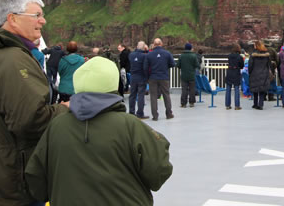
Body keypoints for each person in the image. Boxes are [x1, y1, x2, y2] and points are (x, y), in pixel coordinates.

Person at [0, 0, 69, 206]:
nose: (43, 20)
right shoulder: (12, 59)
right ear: (13, 18)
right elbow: (30, 120)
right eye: (36, 15)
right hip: (12, 183)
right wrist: (66, 107)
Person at [25, 56, 173, 205]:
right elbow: (159, 172)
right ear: (112, 84)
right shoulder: (130, 126)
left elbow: (36, 180)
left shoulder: (56, 126)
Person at [144, 38, 175, 120]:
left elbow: (145, 67)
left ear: (154, 44)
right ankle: (169, 114)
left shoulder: (149, 55)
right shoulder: (167, 53)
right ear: (161, 44)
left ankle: (155, 116)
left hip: (153, 77)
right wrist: (165, 67)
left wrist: (148, 77)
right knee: (166, 95)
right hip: (164, 77)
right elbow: (172, 64)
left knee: (153, 96)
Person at [249, 40, 272, 110]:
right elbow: (269, 64)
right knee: (262, 90)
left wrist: (250, 72)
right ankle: (261, 104)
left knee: (255, 89)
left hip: (255, 73)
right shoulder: (267, 54)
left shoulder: (253, 54)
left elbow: (250, 65)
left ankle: (255, 104)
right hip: (264, 73)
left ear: (256, 46)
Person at [129, 41, 149, 119]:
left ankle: (131, 112)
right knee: (141, 95)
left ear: (137, 47)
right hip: (141, 77)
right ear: (144, 47)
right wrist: (146, 77)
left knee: (132, 95)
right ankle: (140, 113)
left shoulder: (131, 55)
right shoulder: (144, 56)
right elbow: (145, 68)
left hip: (133, 77)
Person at [178, 42, 199, 108]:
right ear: (190, 48)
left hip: (184, 75)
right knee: (192, 89)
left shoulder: (181, 56)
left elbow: (178, 65)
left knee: (184, 89)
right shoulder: (193, 56)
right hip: (192, 75)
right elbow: (197, 65)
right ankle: (192, 102)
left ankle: (183, 103)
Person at [226, 43, 244, 110]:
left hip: (229, 72)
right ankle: (237, 106)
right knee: (236, 89)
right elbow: (242, 66)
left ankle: (227, 105)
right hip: (236, 72)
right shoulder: (240, 57)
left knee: (228, 89)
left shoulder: (229, 56)